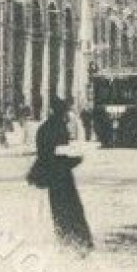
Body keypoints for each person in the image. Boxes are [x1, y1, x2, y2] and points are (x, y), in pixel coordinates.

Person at [32, 100, 92, 254]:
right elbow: (58, 155)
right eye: (66, 112)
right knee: (71, 208)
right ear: (61, 112)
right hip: (62, 175)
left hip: (52, 175)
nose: (67, 115)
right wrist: (75, 161)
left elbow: (44, 154)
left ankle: (65, 240)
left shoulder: (44, 127)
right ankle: (78, 241)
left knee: (58, 208)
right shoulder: (58, 128)